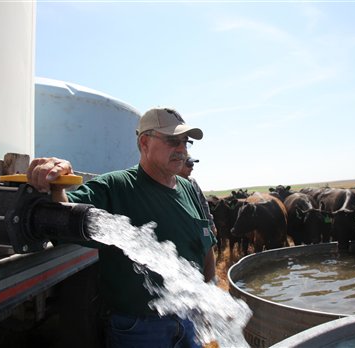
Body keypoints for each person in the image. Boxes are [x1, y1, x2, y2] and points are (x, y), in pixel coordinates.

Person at [27, 107, 217, 348]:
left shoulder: (189, 189)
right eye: (172, 140)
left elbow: (206, 247)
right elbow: (63, 214)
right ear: (144, 143)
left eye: (185, 142)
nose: (181, 149)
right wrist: (56, 180)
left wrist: (210, 302)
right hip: (141, 329)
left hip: (190, 320)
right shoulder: (116, 187)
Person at [179, 156, 217, 242]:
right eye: (189, 165)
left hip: (199, 225)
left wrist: (211, 224)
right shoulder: (172, 182)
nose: (192, 168)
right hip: (183, 228)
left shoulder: (193, 182)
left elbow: (204, 204)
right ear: (179, 164)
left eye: (192, 165)